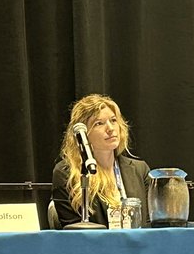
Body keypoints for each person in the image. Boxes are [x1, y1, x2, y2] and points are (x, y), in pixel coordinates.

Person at [51, 94, 151, 228]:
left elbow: (150, 223)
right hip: (96, 247)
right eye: (99, 123)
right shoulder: (66, 173)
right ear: (83, 134)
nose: (110, 128)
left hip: (138, 246)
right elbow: (73, 231)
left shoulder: (140, 169)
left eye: (113, 120)